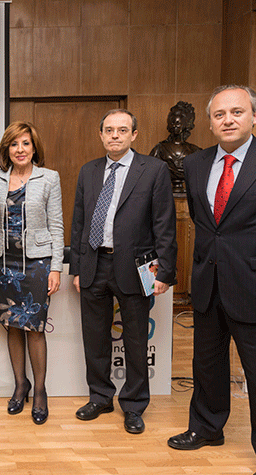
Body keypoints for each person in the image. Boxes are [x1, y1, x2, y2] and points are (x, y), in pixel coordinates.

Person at [167, 85, 256, 475]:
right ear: (211, 121)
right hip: (209, 284)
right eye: (219, 114)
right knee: (207, 367)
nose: (227, 120)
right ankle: (207, 428)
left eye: (236, 112)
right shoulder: (196, 165)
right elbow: (204, 221)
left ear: (254, 116)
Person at [69, 108, 177, 435]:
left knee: (134, 341)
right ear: (101, 135)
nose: (115, 135)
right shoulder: (88, 171)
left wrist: (164, 273)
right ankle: (100, 397)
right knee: (95, 339)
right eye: (109, 130)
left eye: (122, 130)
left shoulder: (154, 170)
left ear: (134, 135)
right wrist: (76, 267)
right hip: (93, 265)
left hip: (136, 267)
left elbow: (165, 225)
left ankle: (133, 405)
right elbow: (78, 223)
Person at [0, 121, 63, 425]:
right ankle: (21, 385)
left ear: (34, 148)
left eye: (25, 144)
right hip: (3, 264)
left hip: (37, 264)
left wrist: (56, 267)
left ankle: (41, 390)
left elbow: (57, 225)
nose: (20, 150)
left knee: (34, 328)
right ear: (7, 150)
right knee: (12, 327)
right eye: (14, 144)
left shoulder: (49, 178)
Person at [149, 101, 202, 193]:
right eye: (173, 116)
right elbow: (149, 172)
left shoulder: (196, 151)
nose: (177, 120)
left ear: (188, 121)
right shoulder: (159, 149)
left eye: (181, 116)